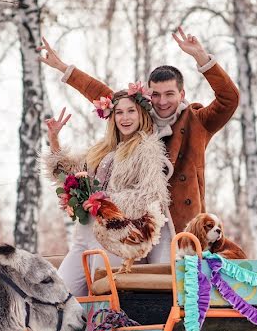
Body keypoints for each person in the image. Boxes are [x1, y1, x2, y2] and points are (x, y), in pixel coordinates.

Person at [39, 27, 240, 232]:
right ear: (148, 94)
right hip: (139, 221)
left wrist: (201, 57)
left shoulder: (198, 122)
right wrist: (63, 68)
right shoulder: (139, 116)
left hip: (182, 223)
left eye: (169, 94)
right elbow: (102, 94)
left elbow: (229, 99)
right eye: (156, 94)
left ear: (182, 94)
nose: (162, 101)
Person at [42, 89, 173, 297]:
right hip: (84, 233)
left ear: (141, 114)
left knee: (102, 299)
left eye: (131, 111)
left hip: (113, 237)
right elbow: (67, 174)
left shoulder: (146, 148)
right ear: (112, 117)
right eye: (119, 112)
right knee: (62, 295)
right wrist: (54, 139)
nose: (125, 117)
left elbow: (151, 194)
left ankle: (105, 330)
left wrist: (104, 202)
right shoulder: (100, 149)